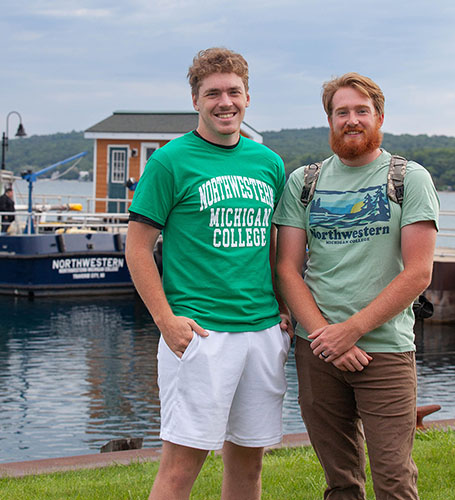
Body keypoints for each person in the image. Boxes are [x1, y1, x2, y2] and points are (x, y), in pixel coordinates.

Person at [125, 47, 292, 500]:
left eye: (233, 92)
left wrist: (282, 306)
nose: (225, 102)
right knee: (181, 468)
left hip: (261, 332)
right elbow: (137, 248)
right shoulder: (169, 161)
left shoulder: (269, 163)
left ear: (248, 97)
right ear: (196, 101)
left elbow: (271, 245)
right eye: (212, 93)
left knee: (248, 464)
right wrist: (164, 319)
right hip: (200, 334)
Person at [273, 72, 439, 499]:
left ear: (379, 117)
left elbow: (418, 273)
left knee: (394, 479)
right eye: (341, 111)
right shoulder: (303, 182)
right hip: (317, 353)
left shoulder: (409, 178)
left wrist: (351, 331)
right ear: (329, 120)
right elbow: (288, 268)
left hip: (384, 350)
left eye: (361, 110)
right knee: (341, 483)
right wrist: (330, 339)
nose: (351, 120)